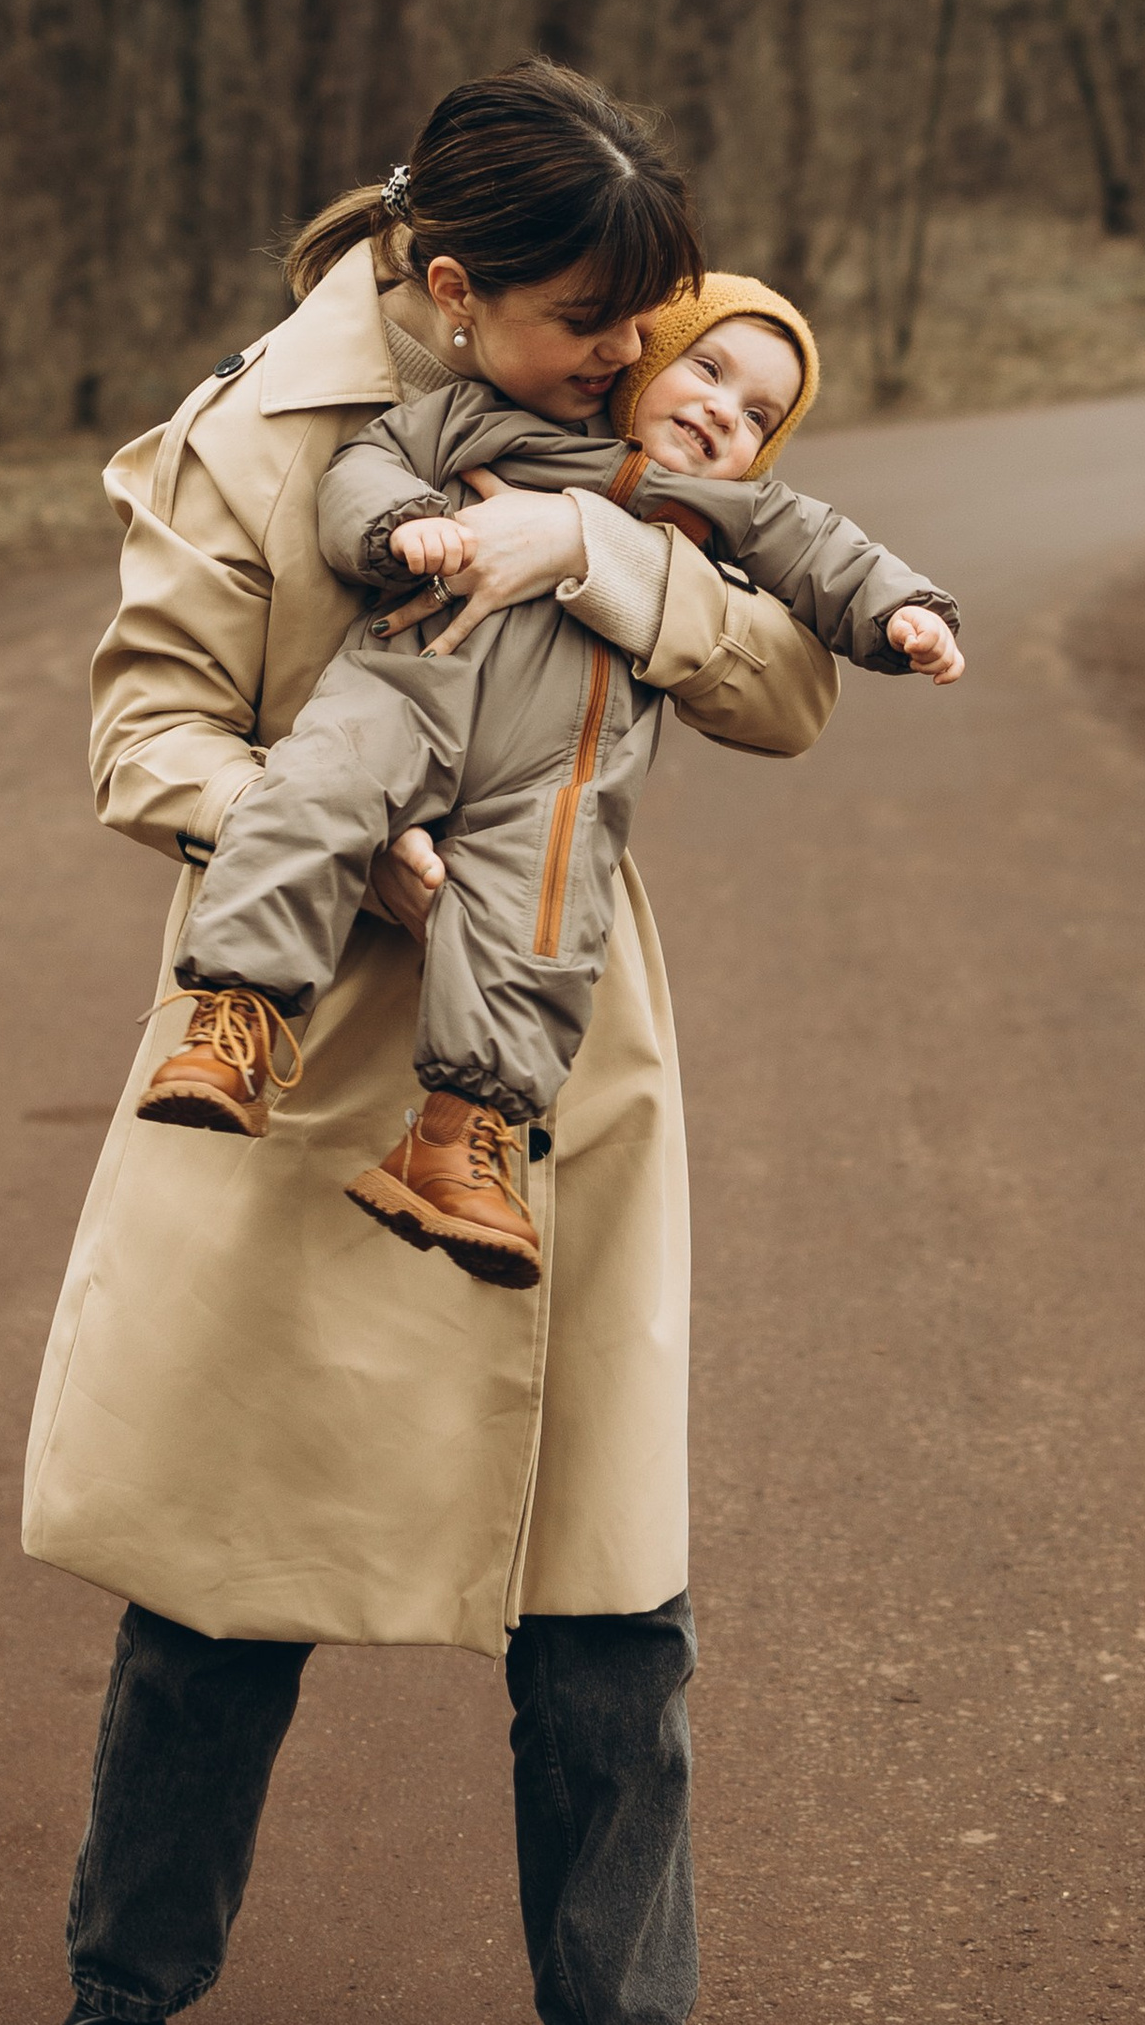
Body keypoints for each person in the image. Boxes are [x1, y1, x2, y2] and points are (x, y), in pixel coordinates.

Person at [0, 62, 841, 2025]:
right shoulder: (255, 438)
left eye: (635, 329)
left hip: (555, 1053)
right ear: (451, 294)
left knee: (605, 1614)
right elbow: (141, 723)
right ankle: (119, 2013)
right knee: (212, 1573)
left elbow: (773, 674)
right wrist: (324, 837)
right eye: (576, 322)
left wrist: (593, 548)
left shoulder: (605, 373)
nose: (622, 362)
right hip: (293, 1043)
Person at [137, 263, 963, 1287]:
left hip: (559, 768)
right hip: (405, 692)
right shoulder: (490, 419)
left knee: (543, 924)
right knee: (317, 797)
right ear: (643, 356)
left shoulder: (720, 513)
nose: (720, 412)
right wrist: (398, 525)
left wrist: (903, 615)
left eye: (757, 414)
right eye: (705, 369)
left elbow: (830, 554)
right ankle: (235, 1018)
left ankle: (460, 1140)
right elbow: (366, 464)